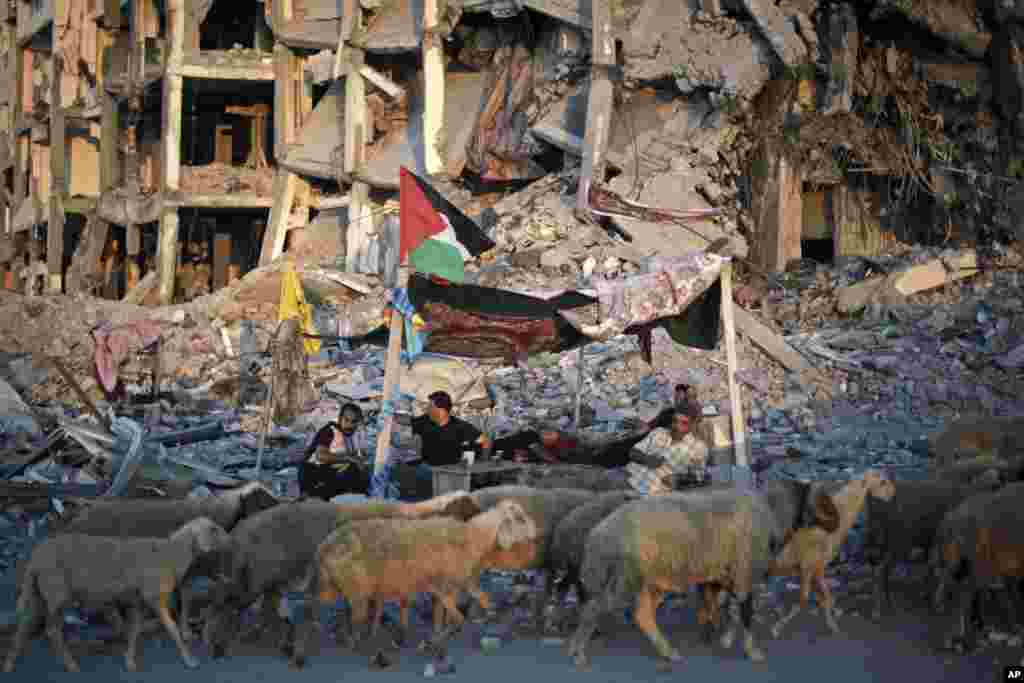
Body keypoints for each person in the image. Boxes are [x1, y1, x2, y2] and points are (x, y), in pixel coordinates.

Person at [393, 390, 492, 495]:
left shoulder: (460, 427)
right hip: (427, 468)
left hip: (450, 472)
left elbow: (487, 441)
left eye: (430, 406)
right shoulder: (425, 421)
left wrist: (483, 467)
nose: (426, 409)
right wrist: (389, 413)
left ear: (441, 410)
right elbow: (407, 420)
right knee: (397, 469)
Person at [627, 409, 709, 495]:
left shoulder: (699, 447)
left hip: (651, 491)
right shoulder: (659, 432)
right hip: (628, 475)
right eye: (675, 421)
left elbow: (699, 476)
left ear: (692, 424)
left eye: (684, 423)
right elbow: (633, 452)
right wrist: (646, 459)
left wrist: (679, 479)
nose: (677, 426)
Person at [298, 402, 371, 500]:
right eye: (346, 420)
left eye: (354, 421)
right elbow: (321, 456)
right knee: (353, 469)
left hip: (328, 476)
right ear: (340, 418)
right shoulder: (329, 431)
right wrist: (350, 458)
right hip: (313, 475)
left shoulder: (350, 437)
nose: (349, 424)